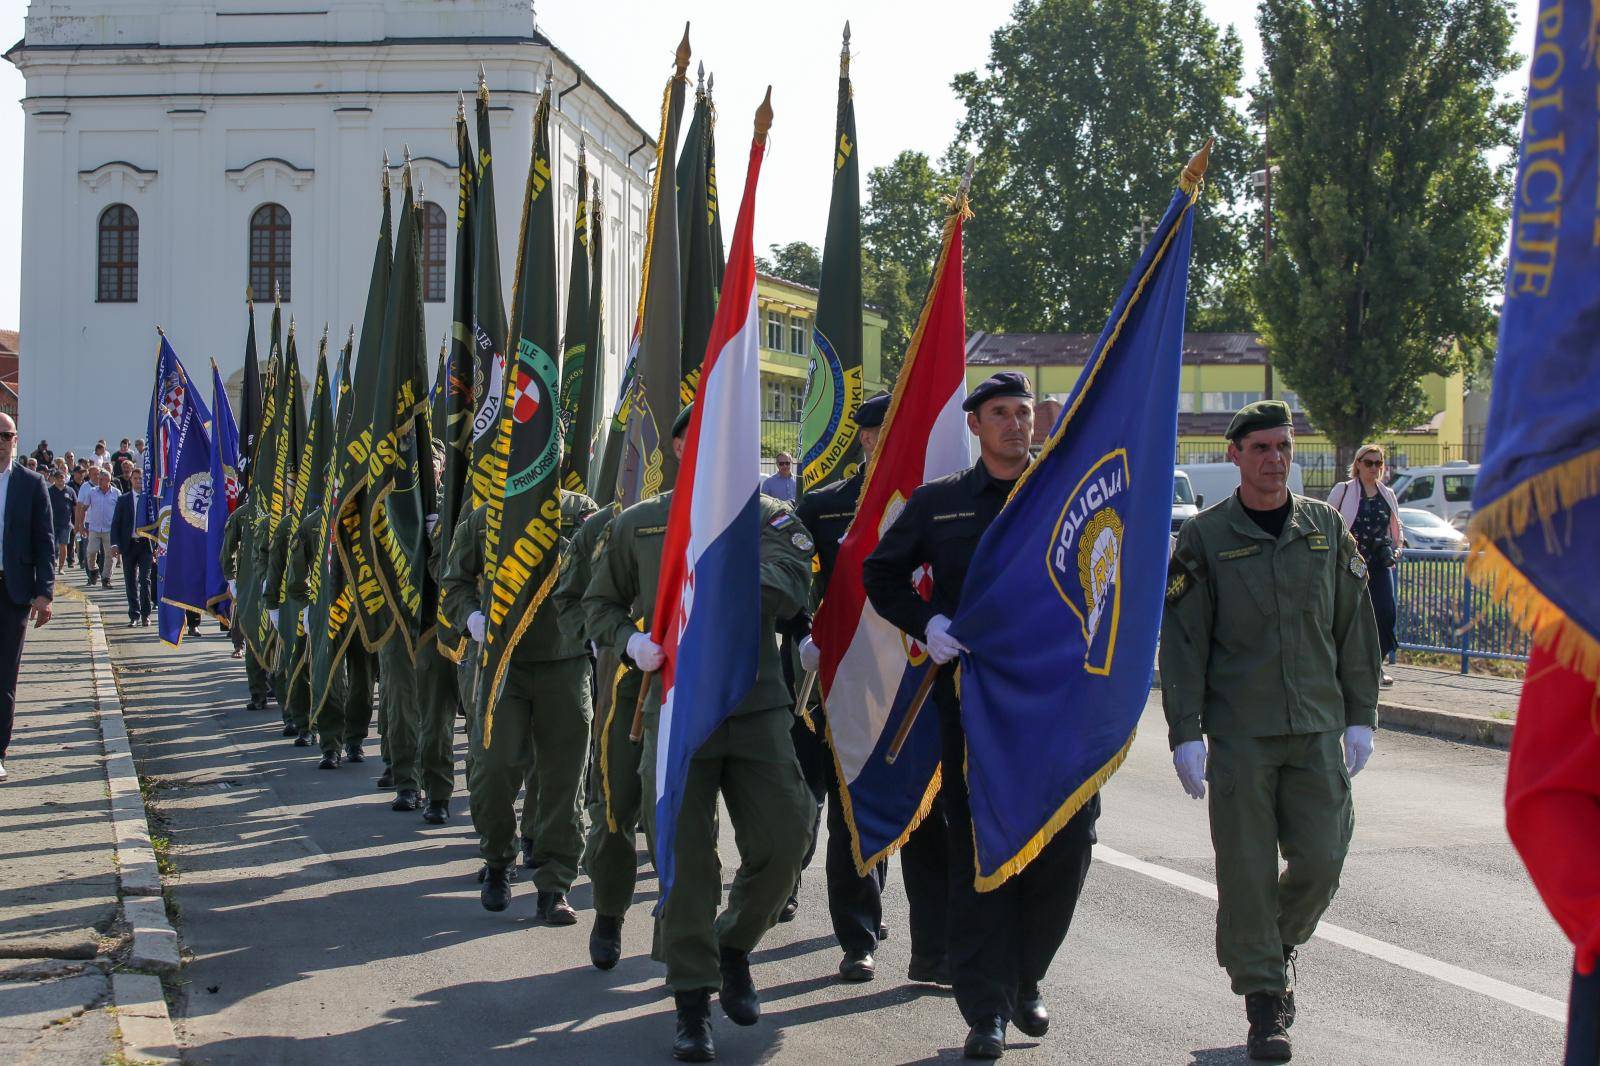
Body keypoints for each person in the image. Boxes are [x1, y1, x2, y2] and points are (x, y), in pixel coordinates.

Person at [864, 372, 1096, 1060]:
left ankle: (1028, 977)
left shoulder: (1058, 493)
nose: (1016, 425)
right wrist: (927, 620)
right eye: (1001, 414)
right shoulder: (941, 505)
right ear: (975, 425)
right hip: (974, 706)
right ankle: (985, 1010)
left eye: (1024, 413)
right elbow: (881, 574)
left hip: (1055, 707)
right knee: (979, 855)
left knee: (1067, 844)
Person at [584, 404, 817, 1063]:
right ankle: (692, 1004)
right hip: (677, 708)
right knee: (685, 864)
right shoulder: (639, 524)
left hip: (754, 705)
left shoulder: (770, 519)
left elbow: (794, 582)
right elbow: (596, 604)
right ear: (681, 447)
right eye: (700, 439)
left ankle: (734, 943)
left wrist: (717, 583)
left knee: (788, 835)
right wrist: (630, 641)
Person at [1160, 400, 1380, 1062]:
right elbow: (1185, 640)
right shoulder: (1205, 536)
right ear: (1235, 455)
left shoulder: (1323, 529)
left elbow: (1355, 628)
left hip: (1315, 727)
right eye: (1260, 447)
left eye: (1283, 446)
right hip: (1242, 734)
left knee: (1322, 857)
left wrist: (1361, 715)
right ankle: (1264, 1003)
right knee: (1248, 871)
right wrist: (1184, 731)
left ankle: (1274, 945)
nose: (1275, 458)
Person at [794, 392, 950, 985]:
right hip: (851, 681)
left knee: (930, 820)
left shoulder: (935, 499)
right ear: (864, 438)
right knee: (852, 812)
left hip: (920, 675)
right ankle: (857, 938)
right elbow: (794, 579)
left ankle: (933, 950)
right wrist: (805, 634)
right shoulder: (826, 506)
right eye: (886, 430)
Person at [554, 497, 641, 968]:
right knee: (612, 810)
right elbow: (570, 598)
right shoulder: (608, 522)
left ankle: (688, 950)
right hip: (622, 685)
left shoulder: (720, 506)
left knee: (688, 821)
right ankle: (608, 913)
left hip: (691, 692)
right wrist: (603, 636)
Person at [0, 413, 55, 783]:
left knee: (4, 673)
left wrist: (44, 593)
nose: (0, 440)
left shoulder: (31, 484)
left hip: (12, 590)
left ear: (16, 439)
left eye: (5, 434)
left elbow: (45, 541)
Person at [1327, 445, 1402, 686]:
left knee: (1386, 613)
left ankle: (1376, 666)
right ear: (1358, 463)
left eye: (1378, 463)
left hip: (1379, 564)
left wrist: (1396, 548)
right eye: (1369, 462)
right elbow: (1327, 521)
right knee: (1349, 617)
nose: (1374, 468)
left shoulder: (1387, 493)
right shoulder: (1344, 490)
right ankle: (1344, 667)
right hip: (1350, 563)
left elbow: (1395, 526)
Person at [219, 491, 272, 708]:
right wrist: (232, 580)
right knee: (256, 636)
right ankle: (261, 692)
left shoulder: (245, 514)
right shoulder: (241, 515)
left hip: (263, 583)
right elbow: (227, 551)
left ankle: (261, 692)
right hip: (251, 584)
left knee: (258, 636)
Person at [109, 468, 156, 627]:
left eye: (141, 479)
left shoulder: (150, 500)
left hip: (145, 545)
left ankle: (145, 614)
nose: (138, 481)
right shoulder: (124, 500)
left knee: (145, 579)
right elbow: (116, 523)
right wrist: (115, 544)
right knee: (130, 581)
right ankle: (134, 615)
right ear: (131, 480)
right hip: (128, 545)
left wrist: (157, 545)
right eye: (135, 478)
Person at [74, 468, 120, 588]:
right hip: (94, 528)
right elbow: (83, 509)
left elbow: (121, 512)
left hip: (110, 529)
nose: (100, 482)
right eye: (99, 479)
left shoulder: (116, 493)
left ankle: (106, 578)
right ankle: (93, 569)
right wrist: (81, 525)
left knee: (110, 555)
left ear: (109, 480)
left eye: (103, 480)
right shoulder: (92, 492)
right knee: (91, 551)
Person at [47, 471, 74, 572]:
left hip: (66, 524)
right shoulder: (50, 491)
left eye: (62, 477)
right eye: (58, 478)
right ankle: (52, 566)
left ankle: (61, 568)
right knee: (52, 546)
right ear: (54, 479)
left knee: (63, 545)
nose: (60, 479)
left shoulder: (70, 491)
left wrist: (77, 522)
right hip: (52, 523)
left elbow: (75, 506)